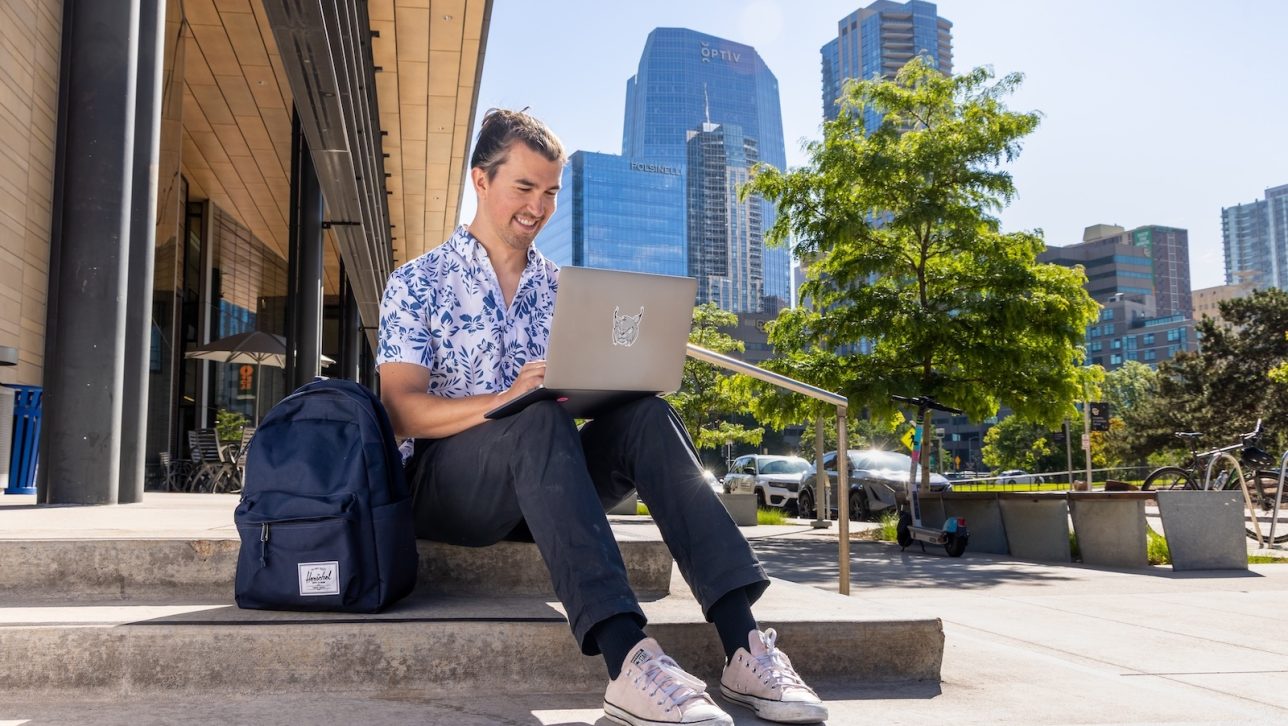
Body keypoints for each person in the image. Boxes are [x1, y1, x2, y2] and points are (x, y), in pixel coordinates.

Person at [377, 108, 827, 726]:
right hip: (449, 487)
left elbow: (577, 401)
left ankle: (745, 647)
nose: (538, 206)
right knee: (531, 417)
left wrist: (613, 382)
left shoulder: (562, 288)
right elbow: (401, 412)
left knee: (645, 413)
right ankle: (629, 662)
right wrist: (506, 400)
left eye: (551, 192)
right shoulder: (417, 281)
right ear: (481, 181)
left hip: (544, 481)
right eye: (525, 187)